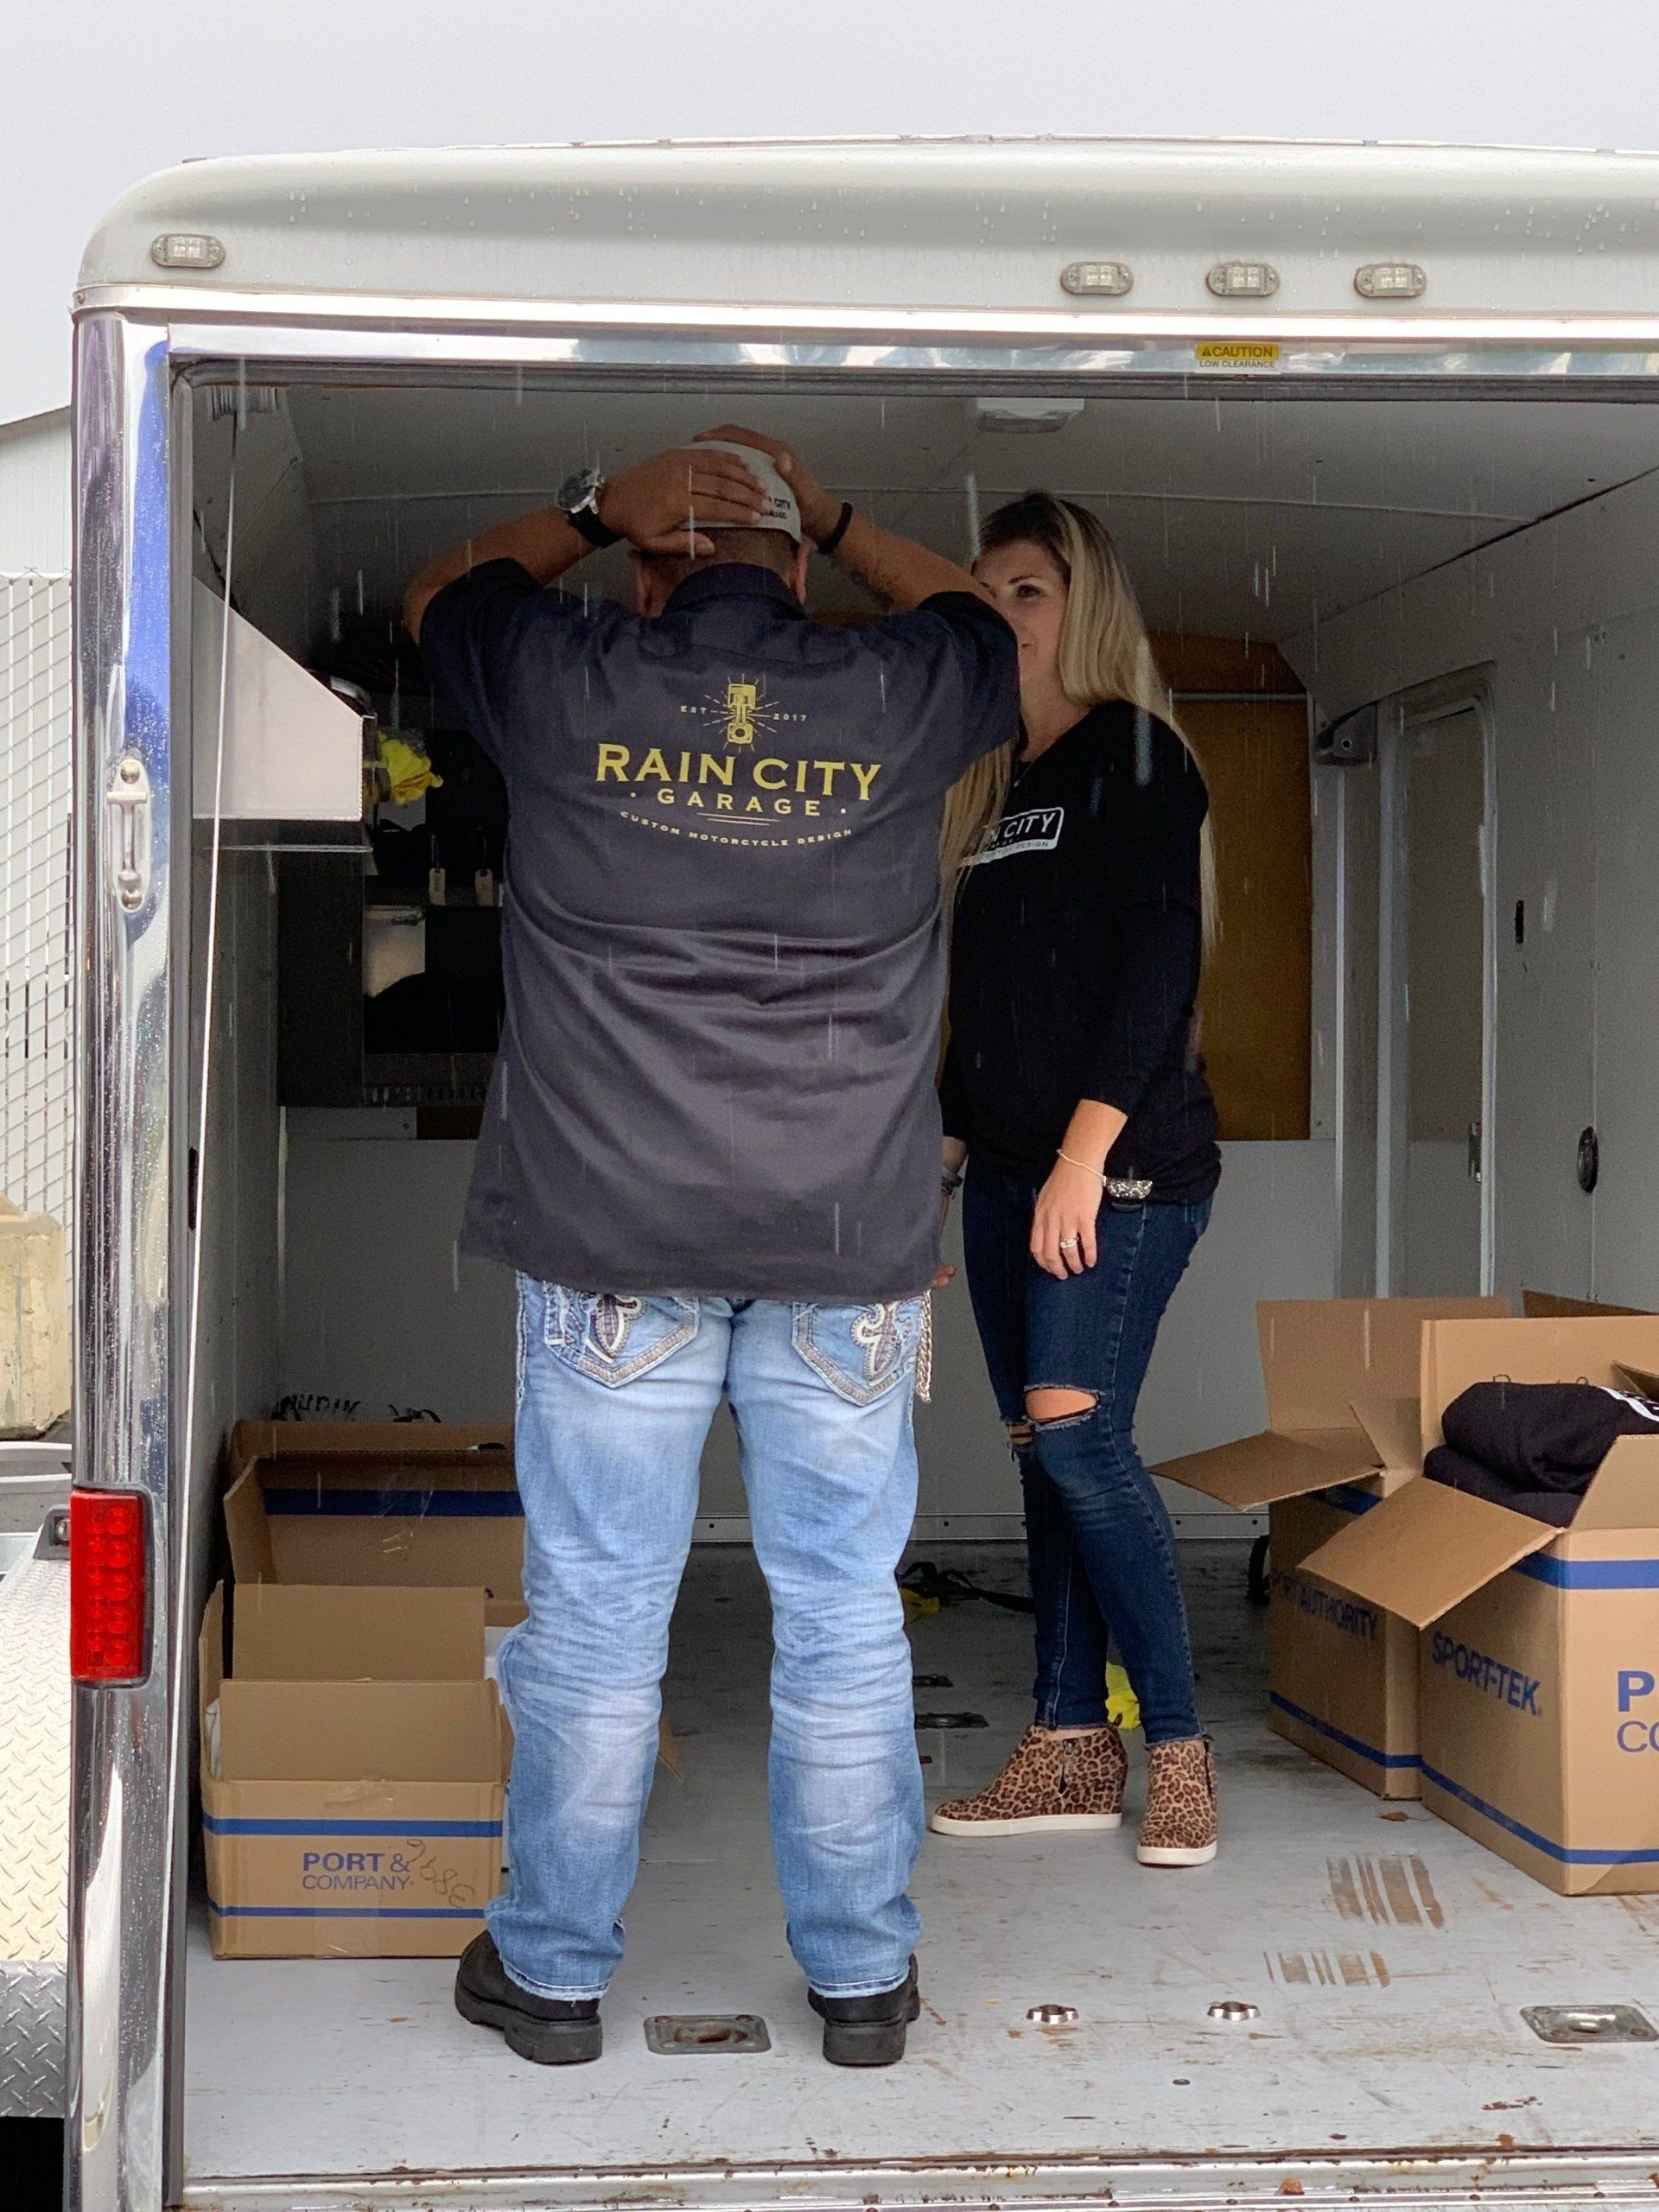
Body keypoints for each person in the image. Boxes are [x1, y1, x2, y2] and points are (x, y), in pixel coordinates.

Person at [404, 428, 1016, 2067]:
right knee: (841, 1615)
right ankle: (862, 1985)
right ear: (804, 579)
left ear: (647, 572)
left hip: (614, 1238)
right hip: (843, 1239)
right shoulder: (896, 696)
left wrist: (596, 506)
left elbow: (435, 600)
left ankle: (548, 1980)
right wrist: (833, 506)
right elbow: (987, 621)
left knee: (599, 1615)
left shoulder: (565, 678)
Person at [931, 493, 1222, 1866]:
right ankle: (1062, 1742)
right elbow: (983, 1001)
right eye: (984, 590)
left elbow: (1159, 974)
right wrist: (936, 1166)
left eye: (1028, 590)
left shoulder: (1139, 758)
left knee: (1080, 1433)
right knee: (1041, 1452)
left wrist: (1081, 1165)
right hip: (1002, 1174)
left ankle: (1176, 1748)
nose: (1001, 612)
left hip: (1125, 1172)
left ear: (1084, 608)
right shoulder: (995, 788)